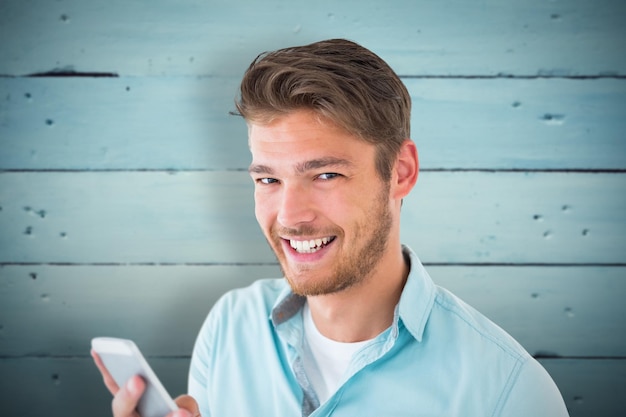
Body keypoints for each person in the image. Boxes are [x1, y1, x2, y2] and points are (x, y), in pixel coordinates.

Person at [92, 38, 570, 416]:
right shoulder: (230, 327)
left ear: (400, 172)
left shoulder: (510, 392)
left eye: (325, 175)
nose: (290, 215)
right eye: (268, 179)